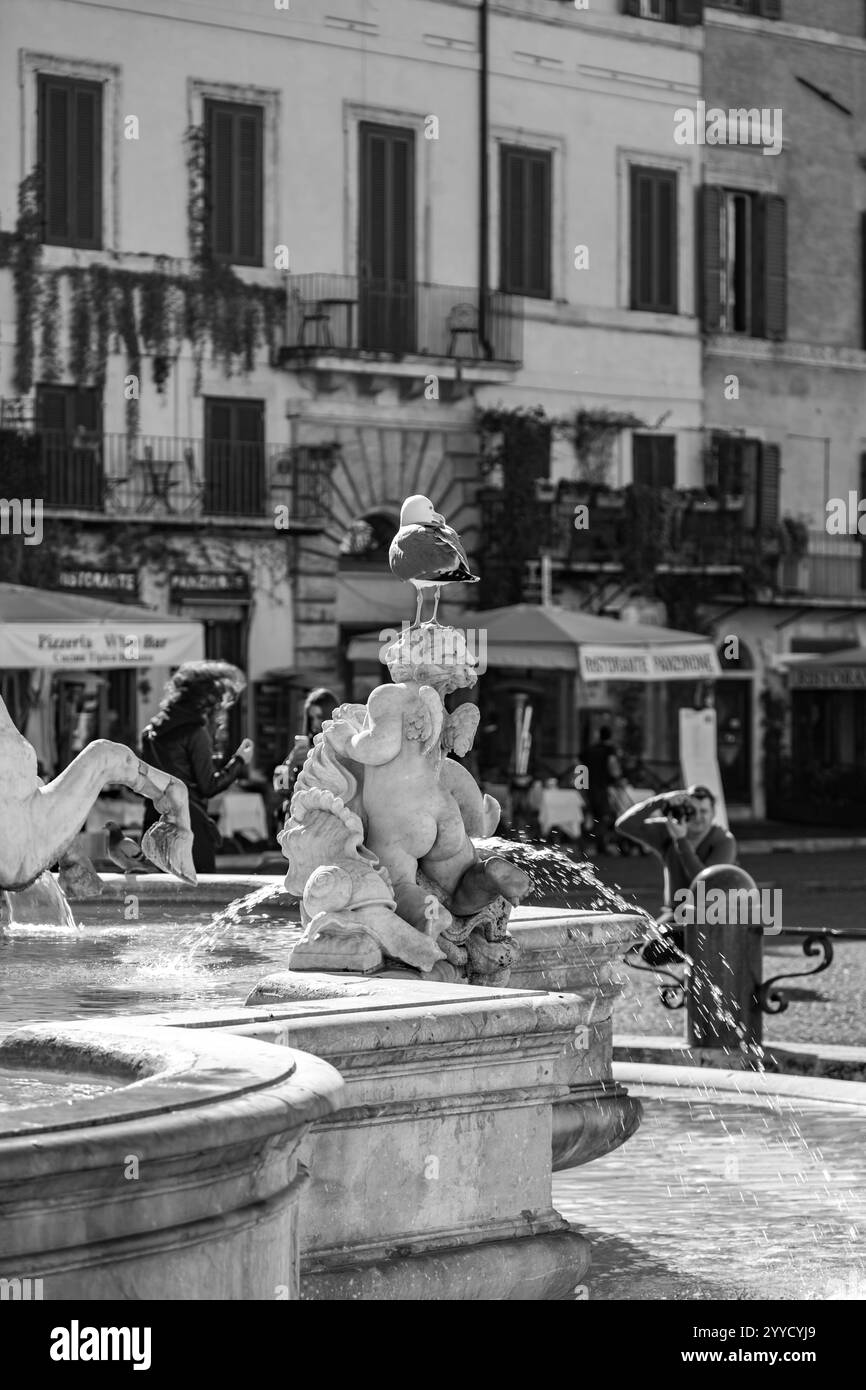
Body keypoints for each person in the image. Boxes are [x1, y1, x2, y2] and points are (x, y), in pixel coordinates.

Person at [140, 661, 254, 873]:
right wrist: (239, 761)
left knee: (157, 895)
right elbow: (208, 786)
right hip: (189, 826)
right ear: (206, 700)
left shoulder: (151, 731)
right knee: (198, 899)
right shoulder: (196, 732)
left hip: (154, 824)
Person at [615, 784, 737, 965]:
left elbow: (704, 882)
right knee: (650, 953)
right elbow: (624, 825)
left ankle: (698, 977)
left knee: (705, 951)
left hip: (713, 915)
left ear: (713, 813)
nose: (698, 817)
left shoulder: (723, 840)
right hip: (676, 915)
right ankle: (686, 982)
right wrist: (661, 800)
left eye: (704, 811)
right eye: (691, 810)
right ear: (682, 811)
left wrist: (681, 841)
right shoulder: (669, 830)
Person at [271, 687, 339, 832]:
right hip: (298, 821)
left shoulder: (339, 746)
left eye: (319, 717)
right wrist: (290, 764)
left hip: (328, 820)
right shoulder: (302, 747)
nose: (314, 723)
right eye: (311, 718)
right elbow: (279, 786)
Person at [579, 725, 626, 855]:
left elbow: (579, 767)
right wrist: (618, 779)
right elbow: (613, 766)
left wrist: (580, 784)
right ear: (610, 736)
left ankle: (588, 844)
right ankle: (599, 844)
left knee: (590, 815)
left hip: (588, 787)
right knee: (603, 816)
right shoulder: (609, 750)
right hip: (601, 787)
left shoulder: (589, 750)